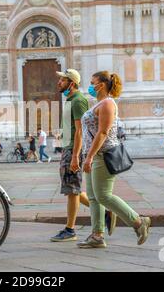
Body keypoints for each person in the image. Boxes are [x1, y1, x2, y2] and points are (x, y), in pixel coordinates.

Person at [79, 71, 151, 248]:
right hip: (93, 155)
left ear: (101, 85)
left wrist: (89, 157)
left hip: (103, 155)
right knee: (94, 197)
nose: (90, 86)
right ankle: (97, 235)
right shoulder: (99, 104)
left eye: (92, 82)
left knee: (104, 196)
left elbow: (103, 133)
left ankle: (138, 221)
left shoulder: (108, 104)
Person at [50, 69, 116, 243]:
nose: (59, 83)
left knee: (72, 190)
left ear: (71, 83)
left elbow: (80, 130)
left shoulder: (78, 101)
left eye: (62, 80)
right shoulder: (70, 100)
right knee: (72, 189)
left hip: (73, 150)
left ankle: (70, 229)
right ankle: (105, 212)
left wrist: (75, 156)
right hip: (68, 147)